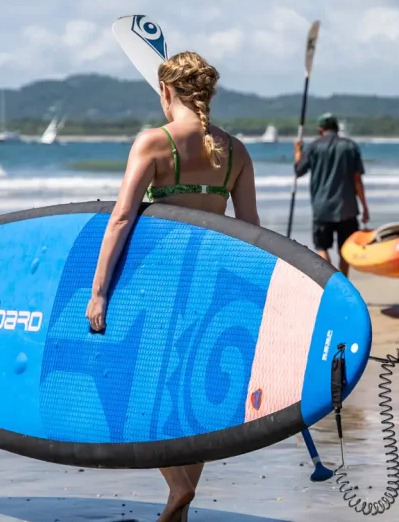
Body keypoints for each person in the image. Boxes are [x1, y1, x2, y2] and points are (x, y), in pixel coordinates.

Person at [84, 51, 259, 522]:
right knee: (189, 397)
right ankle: (177, 509)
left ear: (166, 91)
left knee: (131, 386)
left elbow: (121, 218)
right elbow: (252, 231)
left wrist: (99, 290)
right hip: (214, 286)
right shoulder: (236, 151)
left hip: (158, 285)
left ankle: (178, 487)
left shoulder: (154, 143)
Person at [294, 112, 369, 276]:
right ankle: (344, 283)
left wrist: (298, 152)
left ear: (320, 129)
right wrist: (364, 207)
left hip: (322, 208)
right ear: (336, 128)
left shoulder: (314, 146)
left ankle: (330, 282)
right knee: (346, 249)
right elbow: (357, 180)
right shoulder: (350, 146)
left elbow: (298, 170)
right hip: (347, 207)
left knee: (322, 247)